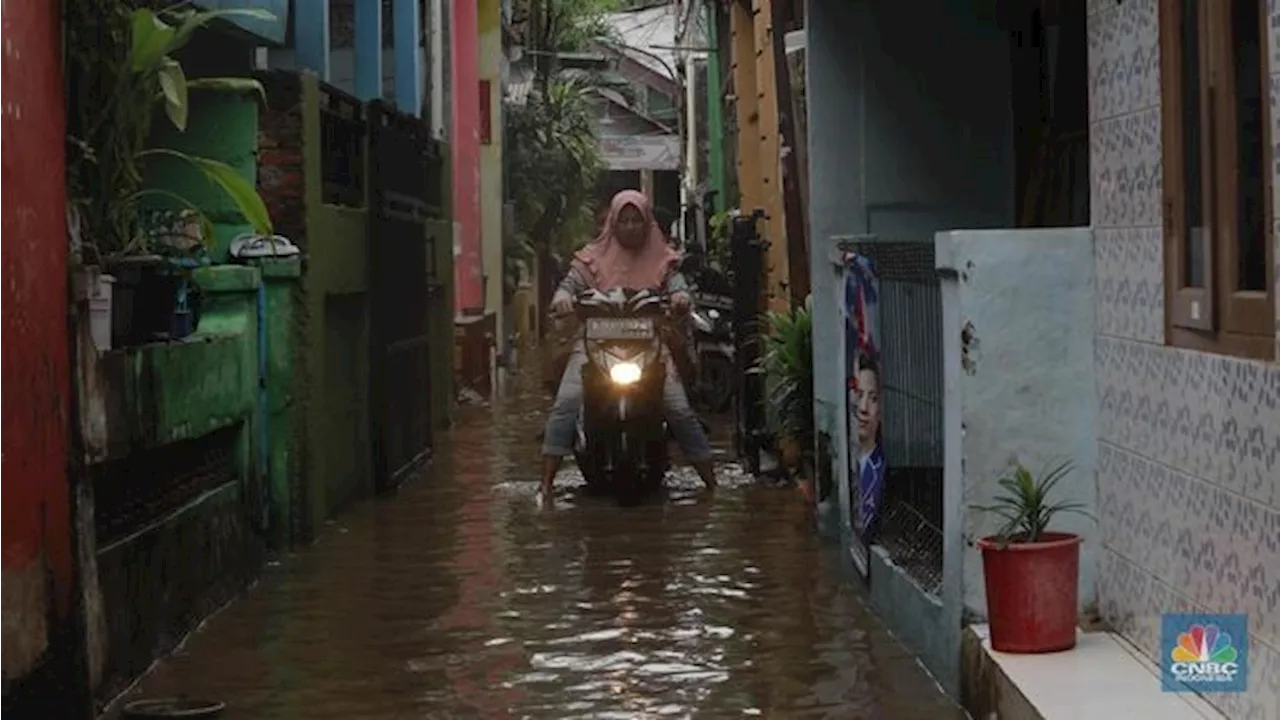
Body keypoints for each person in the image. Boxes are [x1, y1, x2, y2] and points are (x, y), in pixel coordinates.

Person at [540, 190, 718, 499]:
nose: (631, 226)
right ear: (613, 223)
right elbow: (568, 285)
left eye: (637, 220)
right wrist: (563, 298)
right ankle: (545, 485)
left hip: (650, 344)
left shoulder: (664, 259)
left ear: (647, 223)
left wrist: (680, 297)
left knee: (679, 409)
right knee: (566, 404)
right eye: (624, 220)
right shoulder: (590, 259)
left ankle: (710, 483)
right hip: (595, 343)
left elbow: (678, 286)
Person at [850, 352, 885, 537]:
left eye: (873, 399)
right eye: (859, 395)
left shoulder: (881, 469)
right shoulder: (850, 460)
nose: (863, 408)